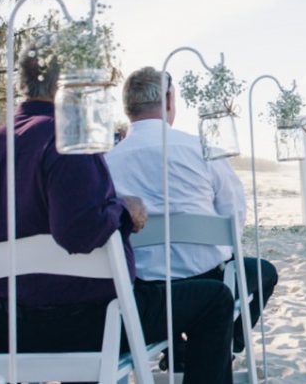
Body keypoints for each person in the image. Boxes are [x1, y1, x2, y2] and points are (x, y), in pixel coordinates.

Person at [0, 38, 235, 383]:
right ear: (73, 84)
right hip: (91, 323)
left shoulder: (6, 138)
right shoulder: (69, 140)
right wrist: (123, 210)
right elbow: (80, 230)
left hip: (11, 327)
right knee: (215, 299)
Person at [106, 66, 279, 356]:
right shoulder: (201, 149)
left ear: (127, 109)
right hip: (209, 282)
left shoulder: (107, 162)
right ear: (170, 101)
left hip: (144, 292)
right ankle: (225, 343)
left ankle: (179, 350)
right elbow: (233, 216)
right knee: (264, 272)